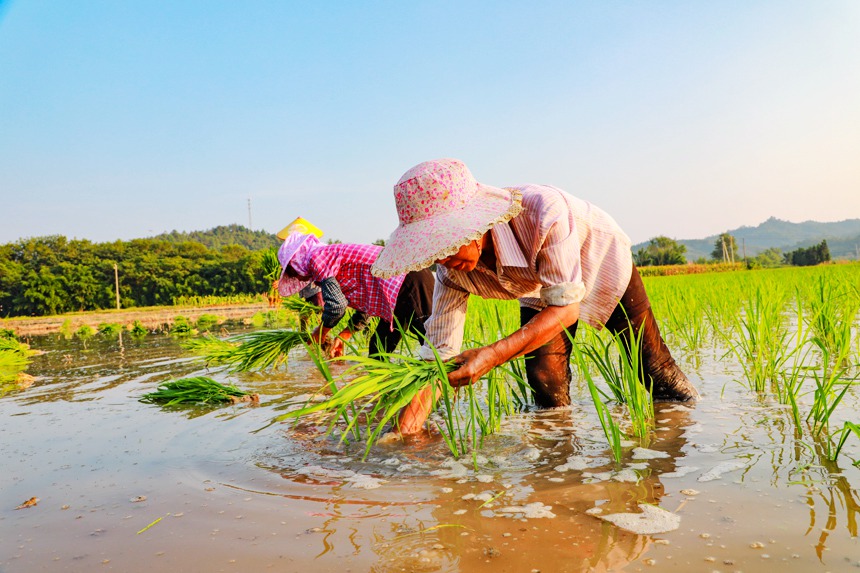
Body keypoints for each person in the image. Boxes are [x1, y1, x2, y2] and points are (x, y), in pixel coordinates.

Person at [370, 158, 699, 434]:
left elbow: (566, 309)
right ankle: (559, 472)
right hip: (541, 283)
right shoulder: (452, 270)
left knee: (652, 366)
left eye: (448, 239)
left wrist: (492, 355)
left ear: (474, 220)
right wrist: (405, 432)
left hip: (599, 258)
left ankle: (690, 427)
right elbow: (437, 357)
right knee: (545, 377)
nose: (442, 256)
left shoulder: (543, 210)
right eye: (433, 248)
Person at [276, 221, 434, 358]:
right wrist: (345, 334)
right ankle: (383, 393)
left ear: (296, 263)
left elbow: (336, 307)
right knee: (378, 352)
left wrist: (321, 332)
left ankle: (443, 391)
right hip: (395, 293)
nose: (296, 278)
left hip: (408, 281)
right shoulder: (327, 259)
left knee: (433, 346)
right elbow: (368, 301)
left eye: (292, 273)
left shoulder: (318, 259)